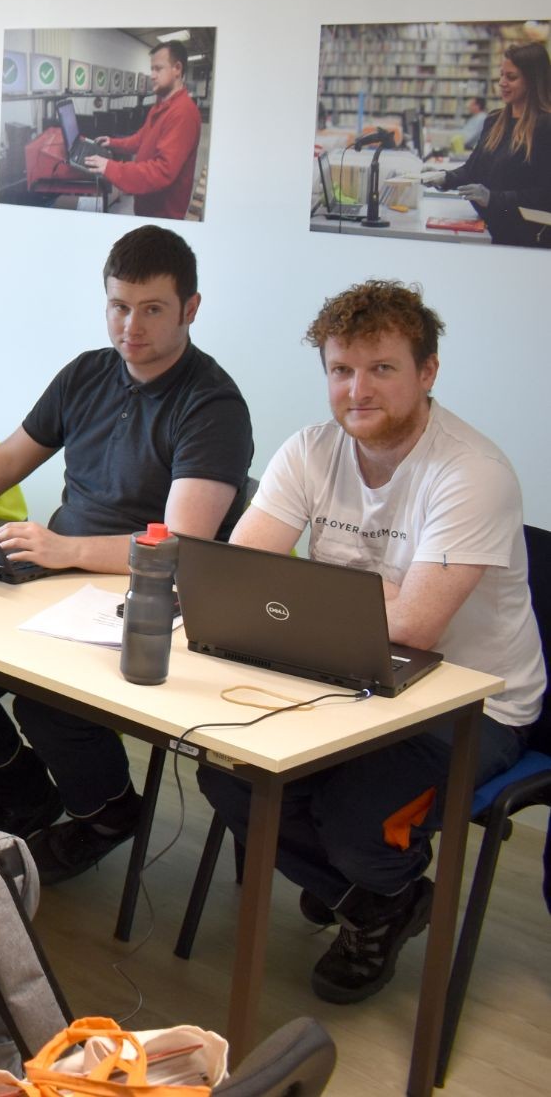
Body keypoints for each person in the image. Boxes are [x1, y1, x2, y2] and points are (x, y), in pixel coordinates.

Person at [199, 281, 542, 1004]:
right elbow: (243, 572)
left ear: (428, 372)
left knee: (353, 819)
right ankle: (378, 902)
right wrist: (352, 599)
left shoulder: (470, 472)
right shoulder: (310, 449)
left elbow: (418, 630)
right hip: (345, 672)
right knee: (229, 772)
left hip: (470, 701)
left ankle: (366, 878)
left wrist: (311, 592)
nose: (358, 390)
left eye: (382, 368)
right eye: (340, 370)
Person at [0, 225, 253, 879]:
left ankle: (110, 810)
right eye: (119, 307)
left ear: (192, 309)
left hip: (139, 598)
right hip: (54, 575)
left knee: (46, 699)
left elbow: (178, 546)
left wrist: (64, 549)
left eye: (152, 309)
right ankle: (25, 793)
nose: (132, 326)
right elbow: (10, 457)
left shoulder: (213, 405)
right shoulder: (89, 373)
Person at [428, 43, 551, 248]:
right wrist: (445, 178)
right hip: (491, 230)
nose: (502, 83)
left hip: (527, 239)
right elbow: (473, 170)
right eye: (501, 75)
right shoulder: (494, 120)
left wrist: (493, 199)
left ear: (533, 81)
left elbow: (545, 194)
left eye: (511, 77)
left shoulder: (545, 127)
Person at [82, 40, 202, 220]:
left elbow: (162, 171)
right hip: (147, 207)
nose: (152, 75)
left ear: (177, 69)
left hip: (163, 215)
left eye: (158, 69)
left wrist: (110, 167)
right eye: (151, 69)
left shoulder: (182, 113)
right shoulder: (160, 106)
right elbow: (141, 139)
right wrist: (113, 143)